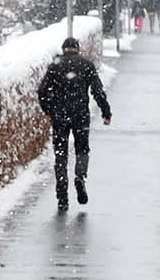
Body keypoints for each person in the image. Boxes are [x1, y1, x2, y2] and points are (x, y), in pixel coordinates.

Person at [37, 35, 111, 212]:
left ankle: (62, 196)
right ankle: (80, 176)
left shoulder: (55, 65)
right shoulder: (86, 64)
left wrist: (49, 109)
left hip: (60, 117)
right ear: (78, 48)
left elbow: (42, 91)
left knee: (60, 155)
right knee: (82, 149)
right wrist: (106, 111)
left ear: (63, 49)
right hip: (81, 116)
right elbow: (97, 90)